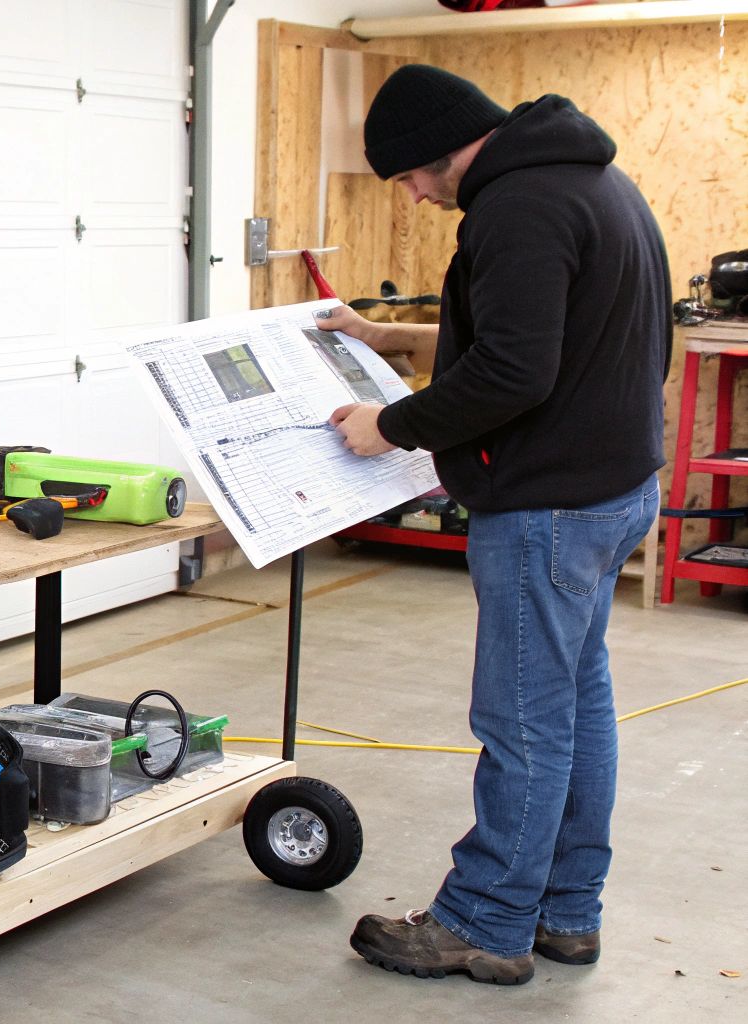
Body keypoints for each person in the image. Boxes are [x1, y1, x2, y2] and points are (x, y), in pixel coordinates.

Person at [318, 64, 670, 985]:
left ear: (442, 150)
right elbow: (541, 328)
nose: (415, 194)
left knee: (523, 721)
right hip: (614, 490)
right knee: (576, 705)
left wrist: (387, 424)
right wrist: (390, 338)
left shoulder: (514, 209)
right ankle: (565, 911)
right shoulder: (590, 179)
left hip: (549, 505)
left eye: (410, 175)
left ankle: (484, 921)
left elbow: (517, 370)